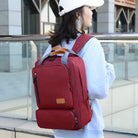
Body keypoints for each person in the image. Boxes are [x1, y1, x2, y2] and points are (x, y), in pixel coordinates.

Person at [42, 0, 115, 138]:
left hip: (60, 124)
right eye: (88, 8)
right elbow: (97, 91)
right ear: (77, 14)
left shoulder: (53, 46)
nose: (92, 12)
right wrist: (110, 72)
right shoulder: (91, 44)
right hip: (86, 127)